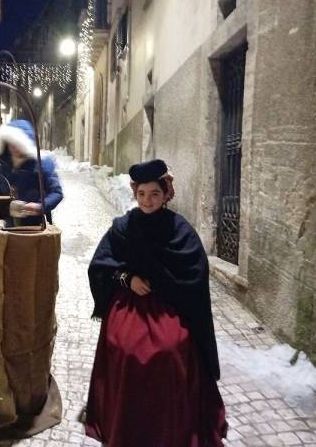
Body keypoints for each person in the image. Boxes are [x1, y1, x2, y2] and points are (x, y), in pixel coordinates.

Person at [85, 159, 227, 447]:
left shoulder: (180, 230)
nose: (147, 201)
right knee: (124, 348)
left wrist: (167, 286)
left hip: (168, 307)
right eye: (141, 194)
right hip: (131, 305)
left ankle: (169, 425)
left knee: (170, 349)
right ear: (135, 194)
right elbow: (100, 265)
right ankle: (125, 423)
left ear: (166, 195)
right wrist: (127, 279)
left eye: (154, 194)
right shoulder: (123, 227)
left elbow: (195, 273)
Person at [0, 119, 63, 227]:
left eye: (17, 143)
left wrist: (39, 207)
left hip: (36, 228)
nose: (14, 147)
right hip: (9, 227)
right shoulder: (5, 166)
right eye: (11, 143)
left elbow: (57, 193)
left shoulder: (42, 163)